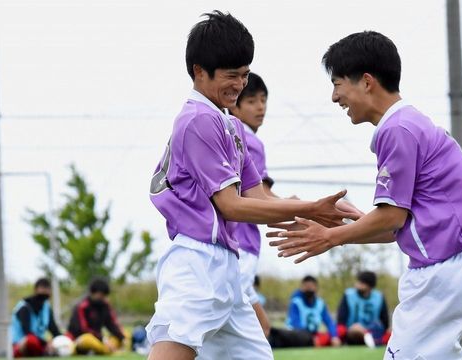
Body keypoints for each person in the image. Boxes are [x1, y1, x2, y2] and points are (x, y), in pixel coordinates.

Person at [146, 11, 359, 360]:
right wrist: (309, 208)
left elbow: (257, 196)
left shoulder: (229, 124)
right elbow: (231, 206)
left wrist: (320, 214)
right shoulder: (199, 120)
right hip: (197, 264)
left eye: (245, 75)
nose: (240, 85)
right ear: (199, 71)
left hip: (227, 266)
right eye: (232, 76)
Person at [269, 31, 462, 360]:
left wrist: (329, 237)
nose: (334, 97)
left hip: (440, 278)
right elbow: (394, 227)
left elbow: (391, 217)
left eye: (337, 83)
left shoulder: (396, 129)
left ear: (367, 82)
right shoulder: (416, 125)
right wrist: (357, 224)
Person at [228, 72, 273, 337]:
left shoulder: (226, 133)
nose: (260, 107)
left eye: (264, 100)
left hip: (231, 242)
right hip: (241, 244)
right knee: (251, 330)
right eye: (252, 101)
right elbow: (262, 198)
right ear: (235, 105)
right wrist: (305, 210)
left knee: (261, 329)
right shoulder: (249, 141)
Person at [66, 277, 125, 355]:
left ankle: (104, 349)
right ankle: (106, 350)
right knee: (88, 340)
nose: (103, 298)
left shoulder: (105, 306)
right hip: (81, 339)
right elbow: (83, 329)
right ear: (92, 293)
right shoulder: (82, 306)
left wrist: (122, 338)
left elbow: (112, 324)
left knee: (124, 334)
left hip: (98, 339)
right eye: (101, 295)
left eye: (104, 296)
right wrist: (103, 339)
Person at [10, 278, 62, 357]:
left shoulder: (46, 307)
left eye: (47, 288)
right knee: (32, 340)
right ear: (36, 290)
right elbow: (27, 333)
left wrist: (63, 340)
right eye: (42, 288)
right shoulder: (24, 307)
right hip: (19, 344)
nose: (45, 291)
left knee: (65, 338)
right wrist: (46, 343)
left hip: (39, 343)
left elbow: (54, 330)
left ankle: (49, 351)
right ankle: (45, 352)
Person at [283, 276, 340, 347]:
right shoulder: (296, 302)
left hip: (314, 335)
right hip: (295, 334)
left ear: (316, 288)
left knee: (338, 332)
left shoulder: (320, 303)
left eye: (311, 287)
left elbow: (329, 322)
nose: (309, 289)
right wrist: (309, 338)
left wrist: (334, 336)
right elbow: (295, 323)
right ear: (302, 288)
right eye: (306, 287)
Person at [337, 271, 390, 347]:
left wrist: (382, 329)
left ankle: (374, 339)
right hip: (353, 332)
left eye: (361, 283)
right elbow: (341, 319)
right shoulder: (349, 295)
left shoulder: (379, 297)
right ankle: (371, 340)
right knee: (355, 329)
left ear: (369, 286)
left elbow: (385, 321)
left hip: (374, 330)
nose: (357, 284)